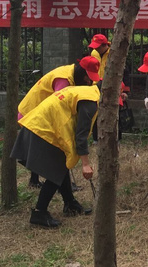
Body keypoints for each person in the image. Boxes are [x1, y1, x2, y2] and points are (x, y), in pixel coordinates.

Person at [11, 82, 101, 228]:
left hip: (42, 125)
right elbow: (81, 135)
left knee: (62, 165)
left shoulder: (86, 91)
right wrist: (85, 164)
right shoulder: (91, 102)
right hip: (43, 129)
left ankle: (69, 203)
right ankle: (39, 212)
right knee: (55, 171)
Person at [18, 56, 101, 188]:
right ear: (82, 72)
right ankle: (50, 183)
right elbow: (59, 110)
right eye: (88, 77)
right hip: (32, 113)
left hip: (41, 116)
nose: (89, 81)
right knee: (55, 152)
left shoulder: (73, 75)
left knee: (55, 155)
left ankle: (52, 186)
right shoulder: (64, 80)